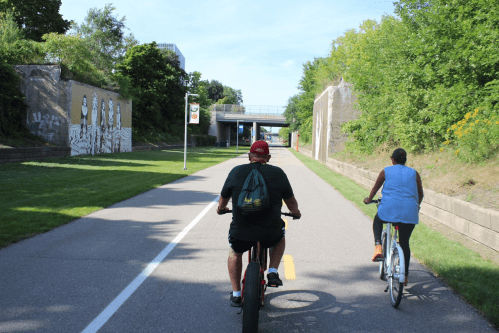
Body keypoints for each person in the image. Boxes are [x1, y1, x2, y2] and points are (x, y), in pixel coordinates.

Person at [217, 140, 301, 307]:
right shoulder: (278, 173)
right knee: (280, 235)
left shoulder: (236, 171)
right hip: (270, 232)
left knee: (234, 252)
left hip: (241, 232)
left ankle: (236, 294)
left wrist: (221, 209)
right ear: (268, 157)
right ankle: (272, 271)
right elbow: (291, 202)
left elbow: (223, 199)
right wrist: (295, 213)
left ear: (250, 156)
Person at [363, 148, 423, 286]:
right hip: (409, 211)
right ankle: (405, 276)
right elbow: (420, 193)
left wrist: (368, 199)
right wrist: (416, 206)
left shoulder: (386, 171)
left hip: (389, 209)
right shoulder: (415, 173)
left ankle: (378, 246)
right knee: (404, 243)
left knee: (378, 220)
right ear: (405, 160)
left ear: (393, 160)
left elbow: (375, 189)